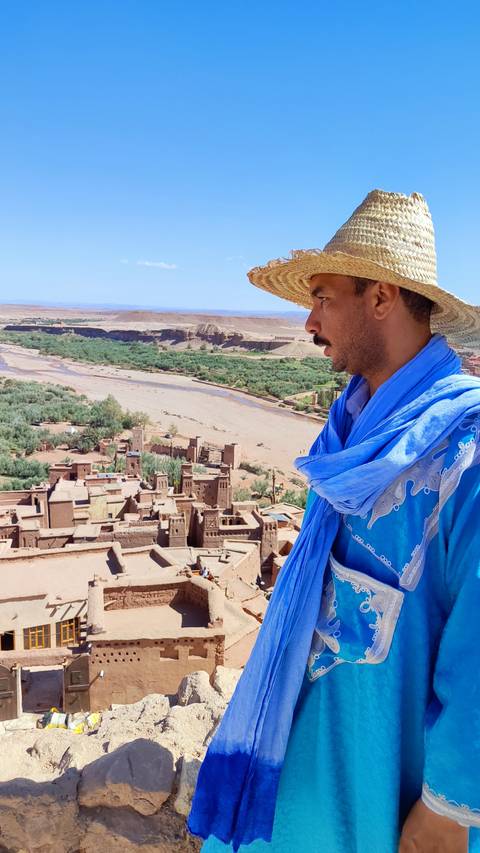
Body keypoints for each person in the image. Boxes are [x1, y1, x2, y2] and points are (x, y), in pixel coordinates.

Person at [188, 190, 480, 852]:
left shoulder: (464, 451)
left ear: (381, 296)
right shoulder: (354, 433)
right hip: (308, 784)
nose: (309, 321)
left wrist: (446, 810)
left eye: (323, 297)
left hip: (385, 802)